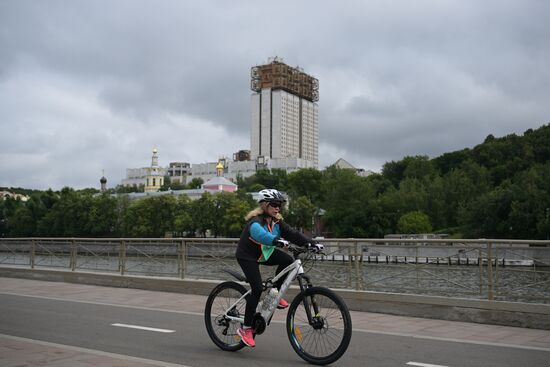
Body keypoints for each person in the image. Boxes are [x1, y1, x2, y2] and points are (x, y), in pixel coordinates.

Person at [235, 189, 322, 348]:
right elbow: (260, 235)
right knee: (256, 288)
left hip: (263, 253)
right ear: (265, 205)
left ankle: (274, 292)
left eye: (279, 205)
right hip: (247, 256)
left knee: (289, 261)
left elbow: (293, 234)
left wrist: (312, 243)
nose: (278, 208)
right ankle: (246, 329)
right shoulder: (255, 221)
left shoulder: (277, 221)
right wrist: (276, 240)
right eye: (274, 205)